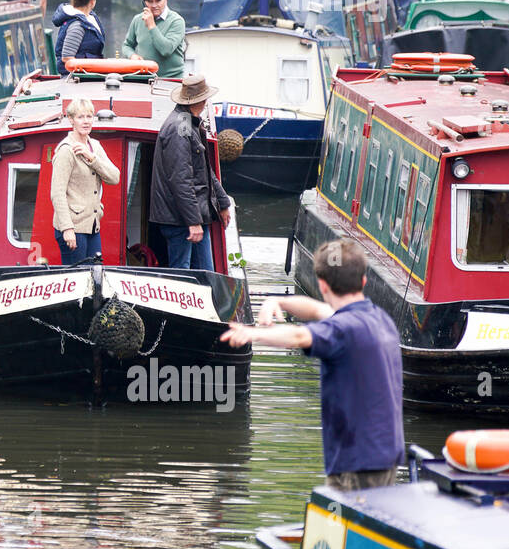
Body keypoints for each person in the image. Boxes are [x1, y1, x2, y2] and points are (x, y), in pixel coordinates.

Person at [220, 238, 404, 491]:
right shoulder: (377, 318)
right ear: (363, 280)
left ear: (322, 285)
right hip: (385, 455)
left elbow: (299, 336)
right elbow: (318, 310)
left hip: (356, 462)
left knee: (346, 528)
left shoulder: (342, 330)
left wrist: (254, 334)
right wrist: (278, 302)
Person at [150, 74, 232, 270]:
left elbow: (203, 168)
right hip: (180, 220)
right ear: (202, 101)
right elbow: (181, 179)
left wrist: (223, 202)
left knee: (205, 272)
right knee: (183, 274)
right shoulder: (179, 127)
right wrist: (193, 222)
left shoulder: (187, 122)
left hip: (191, 216)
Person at [51, 98, 121, 264]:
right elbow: (57, 193)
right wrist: (67, 228)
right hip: (73, 228)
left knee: (96, 272)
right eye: (80, 117)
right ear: (71, 120)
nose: (86, 121)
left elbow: (114, 177)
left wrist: (92, 158)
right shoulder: (65, 151)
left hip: (92, 225)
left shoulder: (94, 146)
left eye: (89, 117)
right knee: (77, 280)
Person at [122, 0, 185, 78]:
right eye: (150, 2)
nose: (154, 5)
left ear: (165, 0)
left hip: (171, 79)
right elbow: (127, 45)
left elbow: (166, 50)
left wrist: (151, 25)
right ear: (144, 4)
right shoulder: (138, 19)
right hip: (144, 77)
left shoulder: (177, 21)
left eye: (158, 1)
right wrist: (132, 55)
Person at [52, 0, 105, 74]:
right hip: (76, 79)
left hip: (88, 75)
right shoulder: (77, 26)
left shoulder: (89, 18)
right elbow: (67, 58)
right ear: (92, 1)